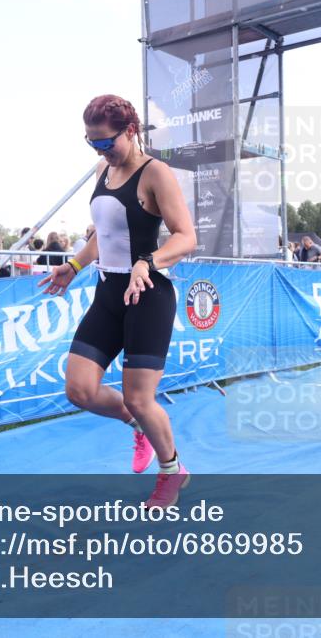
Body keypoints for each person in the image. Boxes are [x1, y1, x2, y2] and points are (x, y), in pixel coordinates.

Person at [39, 93, 196, 509]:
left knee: (139, 398)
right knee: (79, 389)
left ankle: (172, 470)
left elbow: (186, 237)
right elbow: (103, 235)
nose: (99, 150)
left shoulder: (155, 173)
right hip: (109, 292)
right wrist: (73, 266)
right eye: (91, 142)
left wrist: (148, 261)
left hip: (147, 294)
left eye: (106, 142)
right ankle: (138, 426)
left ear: (130, 131)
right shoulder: (101, 170)